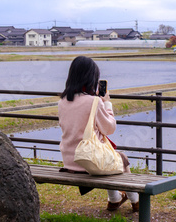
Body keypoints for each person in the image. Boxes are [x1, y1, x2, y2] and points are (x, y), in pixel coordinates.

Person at [58, 56, 139, 212]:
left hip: (69, 161)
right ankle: (135, 201)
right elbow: (109, 128)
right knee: (121, 159)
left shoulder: (62, 101)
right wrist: (107, 103)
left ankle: (115, 200)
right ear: (91, 78)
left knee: (110, 158)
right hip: (87, 161)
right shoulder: (93, 101)